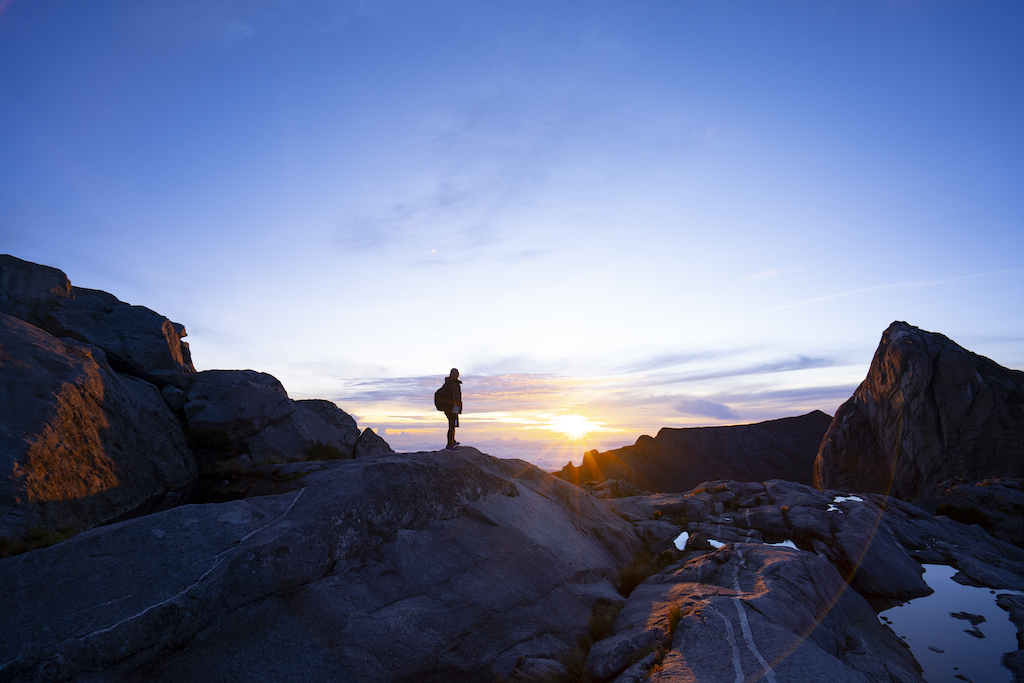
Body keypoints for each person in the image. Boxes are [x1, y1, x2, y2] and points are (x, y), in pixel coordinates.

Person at [442, 368, 463, 451]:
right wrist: (459, 406)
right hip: (452, 407)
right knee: (452, 426)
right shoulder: (455, 384)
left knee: (452, 425)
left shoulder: (447, 384)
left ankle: (452, 441)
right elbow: (457, 397)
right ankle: (449, 445)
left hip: (446, 407)